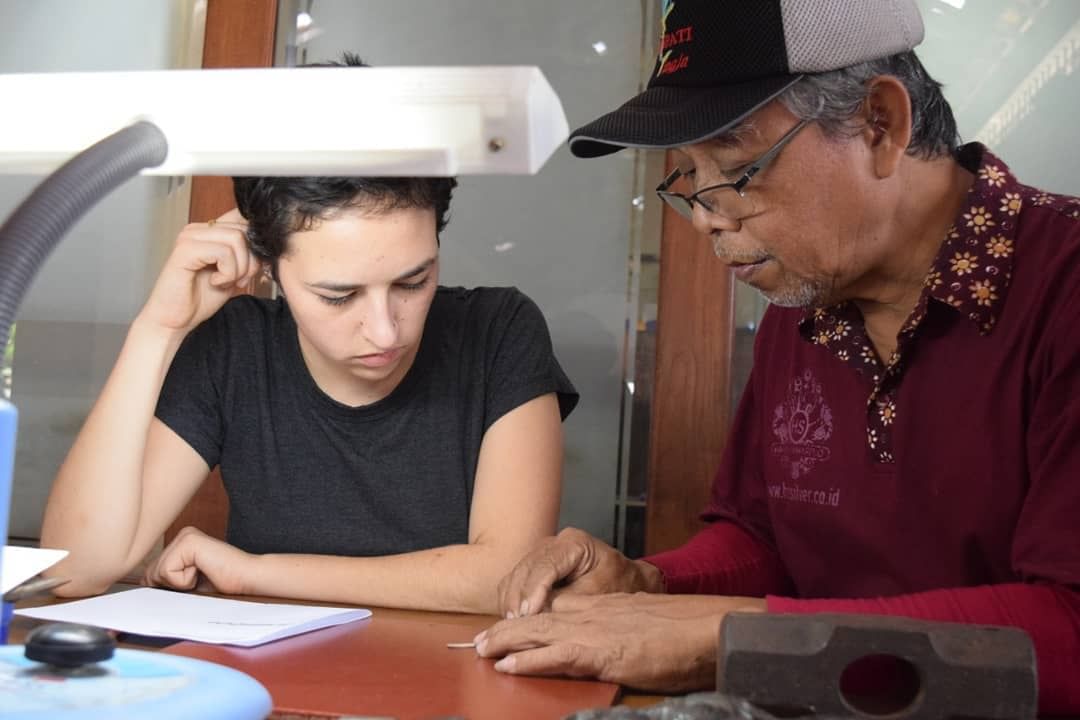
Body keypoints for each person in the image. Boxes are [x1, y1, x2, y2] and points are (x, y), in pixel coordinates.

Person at [472, 1, 1080, 713]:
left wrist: (731, 637)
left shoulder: (1062, 288)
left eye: (736, 169)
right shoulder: (803, 312)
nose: (706, 216)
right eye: (687, 176)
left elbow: (1069, 628)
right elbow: (764, 539)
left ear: (880, 124)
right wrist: (647, 584)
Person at [40, 59, 578, 614]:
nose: (385, 330)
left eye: (413, 282)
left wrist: (255, 573)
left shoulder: (499, 331)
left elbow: (508, 577)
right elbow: (74, 570)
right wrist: (159, 328)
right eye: (338, 296)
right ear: (269, 266)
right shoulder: (236, 348)